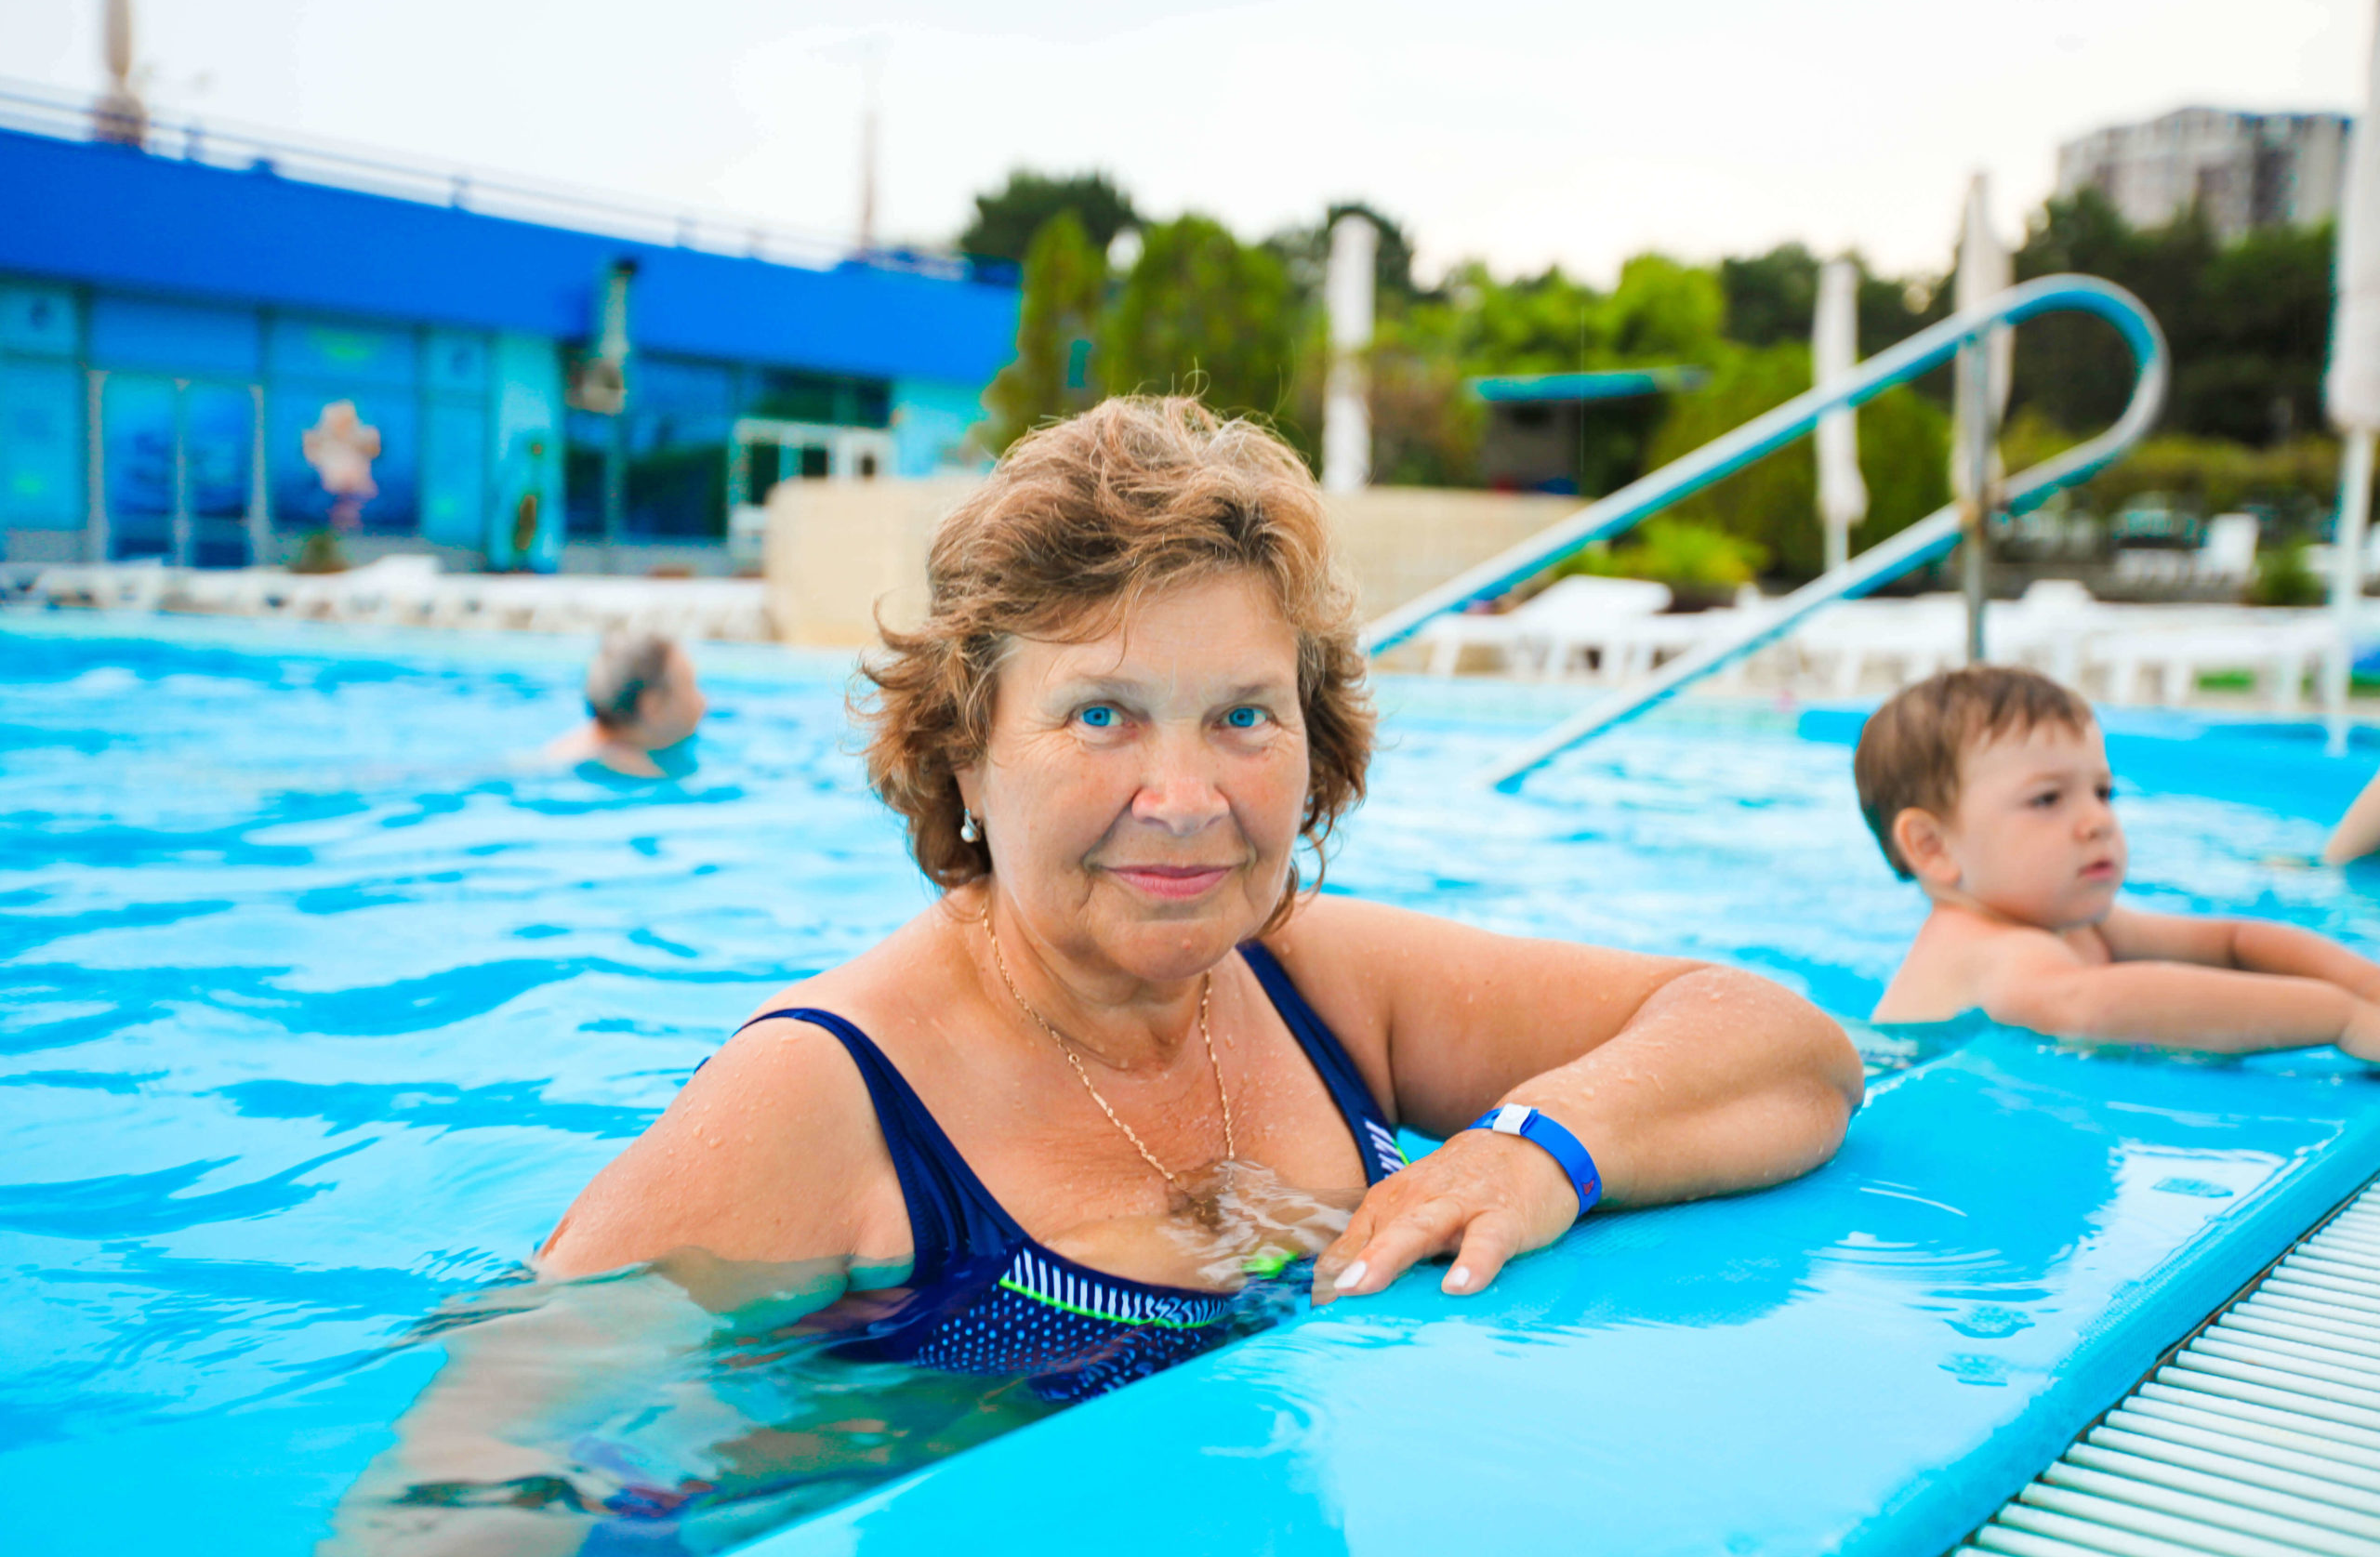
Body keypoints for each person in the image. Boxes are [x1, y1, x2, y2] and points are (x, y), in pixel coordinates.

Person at [540, 397, 1859, 1376]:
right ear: (964, 753)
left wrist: (1541, 1152)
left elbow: (1784, 1048)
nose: (1185, 798)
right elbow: (482, 1472)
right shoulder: (827, 1095)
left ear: (1316, 737)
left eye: (1241, 715)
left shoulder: (1311, 976)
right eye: (1103, 713)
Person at [1860, 664, 2380, 1054]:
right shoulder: (1986, 950)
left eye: (2103, 792)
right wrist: (2341, 1019)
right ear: (1933, 847)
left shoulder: (2082, 924)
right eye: (2047, 799)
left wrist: (2365, 988)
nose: (2098, 821)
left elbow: (2233, 942)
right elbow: (2098, 1004)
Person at [546, 630, 707, 778]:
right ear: (654, 708)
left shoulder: (567, 747)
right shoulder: (633, 768)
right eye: (690, 687)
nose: (703, 702)